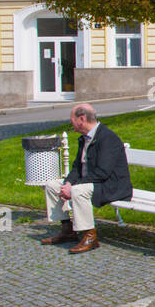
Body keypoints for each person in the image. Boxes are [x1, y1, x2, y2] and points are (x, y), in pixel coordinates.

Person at [41, 103, 132, 253]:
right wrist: (68, 183)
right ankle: (67, 230)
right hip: (92, 182)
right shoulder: (84, 138)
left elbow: (103, 172)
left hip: (112, 185)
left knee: (78, 191)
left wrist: (74, 187)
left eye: (72, 119)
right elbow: (77, 166)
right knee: (52, 185)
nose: (70, 123)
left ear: (81, 119)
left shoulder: (107, 138)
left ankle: (90, 236)